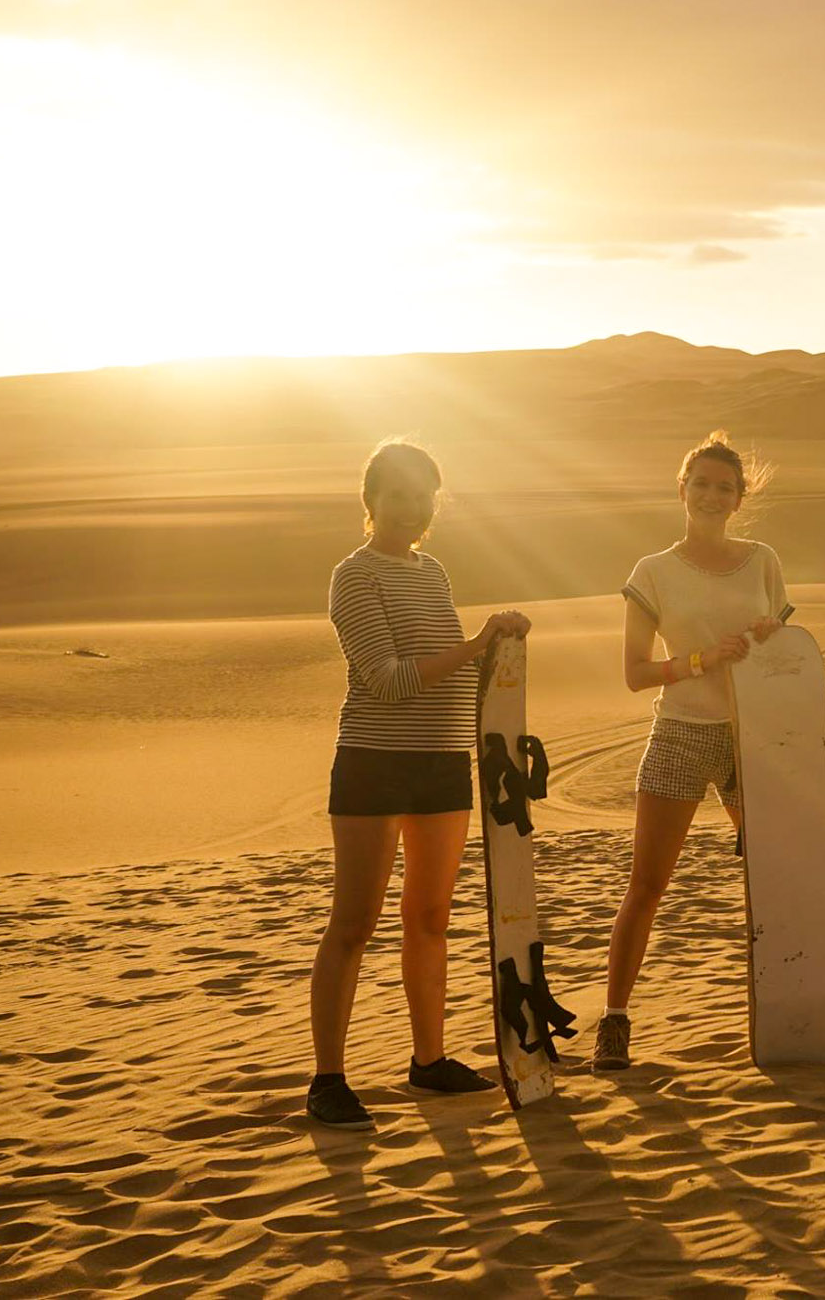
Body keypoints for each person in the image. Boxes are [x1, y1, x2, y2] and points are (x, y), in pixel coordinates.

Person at [307, 439, 530, 1131]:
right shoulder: (355, 575)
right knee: (354, 922)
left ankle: (428, 1061)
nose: (410, 508)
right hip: (375, 759)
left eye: (423, 495)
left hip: (442, 762)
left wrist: (499, 643)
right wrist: (474, 645)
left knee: (430, 918)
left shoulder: (432, 573)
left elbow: (456, 673)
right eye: (397, 494)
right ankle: (328, 1078)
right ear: (370, 500)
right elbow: (390, 677)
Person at [599, 430, 791, 1070]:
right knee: (647, 884)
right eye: (702, 484)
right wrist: (700, 660)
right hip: (681, 731)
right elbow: (634, 672)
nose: (713, 496)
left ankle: (787, 1005)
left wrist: (769, 633)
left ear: (740, 500)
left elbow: (785, 653)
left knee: (772, 880)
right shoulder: (651, 572)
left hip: (753, 738)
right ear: (682, 490)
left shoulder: (763, 560)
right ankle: (616, 1020)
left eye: (725, 488)